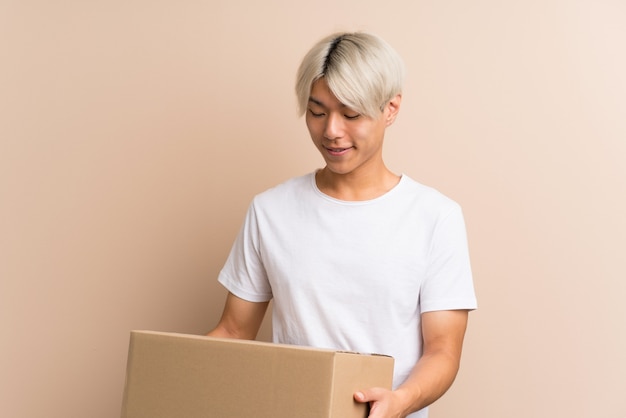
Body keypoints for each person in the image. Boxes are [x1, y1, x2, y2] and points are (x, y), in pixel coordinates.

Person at [207, 31, 477, 418]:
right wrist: (168, 379)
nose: (331, 130)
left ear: (391, 108)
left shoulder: (435, 217)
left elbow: (443, 350)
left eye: (351, 114)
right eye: (317, 112)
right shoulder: (270, 210)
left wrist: (400, 401)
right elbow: (233, 332)